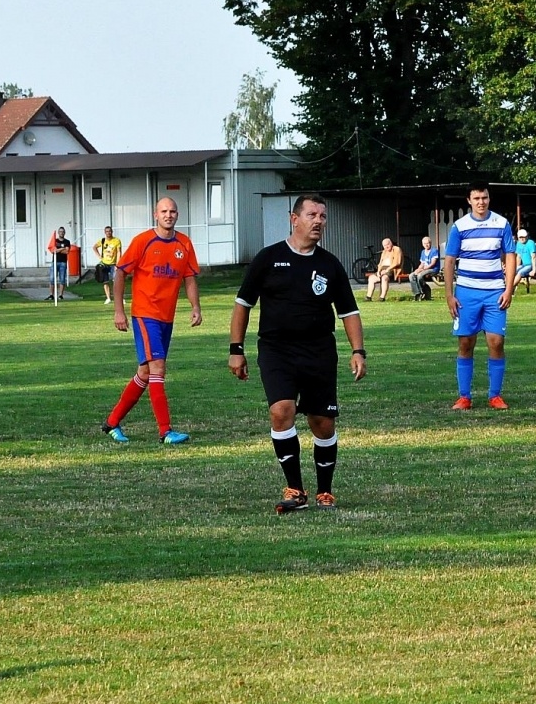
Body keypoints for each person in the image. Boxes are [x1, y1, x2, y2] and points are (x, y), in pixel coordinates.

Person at [230, 194, 366, 513]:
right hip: (277, 350)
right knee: (281, 411)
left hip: (319, 351)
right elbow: (242, 305)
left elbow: (349, 311)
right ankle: (295, 490)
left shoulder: (329, 264)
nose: (318, 221)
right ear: (294, 219)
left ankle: (325, 491)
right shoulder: (268, 258)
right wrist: (236, 349)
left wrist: (358, 350)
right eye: (311, 215)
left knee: (322, 423)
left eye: (323, 216)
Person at [100, 198, 201, 445]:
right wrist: (118, 310)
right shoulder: (143, 241)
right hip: (145, 315)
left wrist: (196, 307)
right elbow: (121, 271)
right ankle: (165, 431)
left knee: (145, 373)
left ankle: (112, 422)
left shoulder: (184, 243)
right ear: (155, 215)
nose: (169, 215)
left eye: (173, 211)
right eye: (164, 211)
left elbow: (189, 278)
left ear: (178, 214)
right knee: (158, 369)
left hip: (167, 318)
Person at [443, 182, 517, 409]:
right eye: (476, 198)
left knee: (496, 342)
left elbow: (510, 256)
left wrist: (508, 288)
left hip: (494, 292)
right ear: (469, 200)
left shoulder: (502, 223)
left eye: (484, 197)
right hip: (466, 292)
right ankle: (464, 397)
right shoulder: (459, 226)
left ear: (489, 198)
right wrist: (449, 294)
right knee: (466, 342)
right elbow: (449, 261)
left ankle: (495, 395)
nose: (481, 202)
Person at [364, 238, 404, 302]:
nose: (386, 246)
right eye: (384, 245)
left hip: (393, 268)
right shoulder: (384, 252)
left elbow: (397, 262)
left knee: (384, 278)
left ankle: (382, 297)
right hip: (383, 269)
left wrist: (387, 270)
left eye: (388, 244)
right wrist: (378, 272)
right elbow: (380, 263)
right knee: (371, 278)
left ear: (391, 243)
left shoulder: (396, 249)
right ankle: (368, 297)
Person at [93, 226, 122, 304]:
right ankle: (108, 298)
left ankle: (119, 298)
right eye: (107, 231)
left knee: (116, 281)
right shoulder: (102, 241)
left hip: (113, 264)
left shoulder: (116, 241)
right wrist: (99, 256)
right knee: (105, 281)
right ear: (105, 232)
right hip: (104, 263)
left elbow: (119, 252)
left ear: (112, 232)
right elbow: (94, 247)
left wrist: (118, 263)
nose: (108, 233)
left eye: (109, 231)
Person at [46, 226, 72, 302]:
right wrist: (62, 249)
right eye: (60, 231)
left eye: (63, 232)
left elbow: (67, 251)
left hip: (63, 262)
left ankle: (60, 295)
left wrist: (58, 250)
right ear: (58, 233)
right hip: (55, 262)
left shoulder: (67, 241)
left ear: (64, 233)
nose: (61, 233)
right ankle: (51, 295)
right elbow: (53, 251)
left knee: (62, 279)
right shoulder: (55, 241)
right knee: (52, 279)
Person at [410, 236, 440, 300]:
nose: (426, 245)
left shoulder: (434, 251)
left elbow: (432, 263)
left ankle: (424, 291)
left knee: (419, 276)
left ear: (430, 243)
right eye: (424, 243)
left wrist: (422, 270)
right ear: (422, 244)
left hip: (433, 269)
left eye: (428, 243)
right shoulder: (423, 252)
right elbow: (422, 263)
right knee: (411, 275)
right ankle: (417, 293)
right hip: (424, 269)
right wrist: (418, 269)